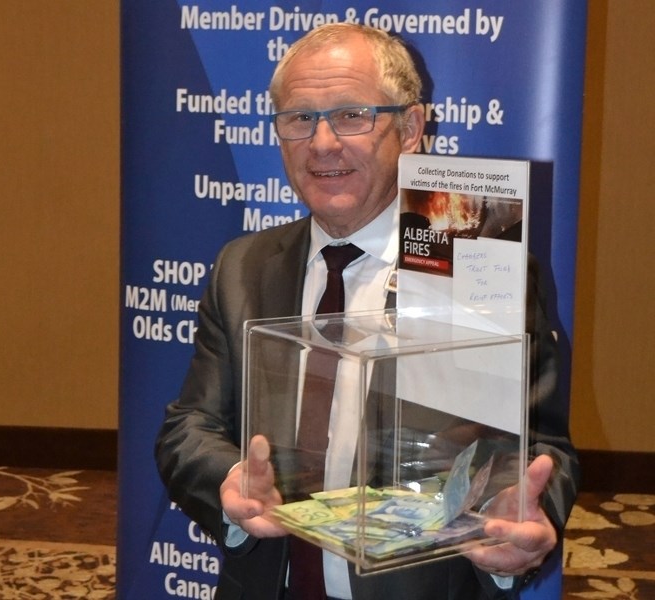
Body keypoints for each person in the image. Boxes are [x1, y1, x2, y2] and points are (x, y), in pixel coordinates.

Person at [156, 23, 579, 600]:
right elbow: (190, 427)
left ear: (409, 129)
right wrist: (231, 482)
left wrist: (516, 527)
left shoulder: (471, 254)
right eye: (300, 118)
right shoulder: (243, 267)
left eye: (353, 114)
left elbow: (540, 447)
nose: (323, 142)